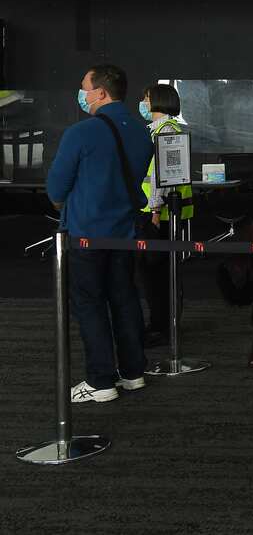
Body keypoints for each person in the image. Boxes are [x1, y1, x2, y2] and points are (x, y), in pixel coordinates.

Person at [46, 64, 153, 403]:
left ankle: (101, 381)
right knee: (124, 298)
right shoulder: (140, 131)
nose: (82, 95)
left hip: (86, 233)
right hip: (124, 230)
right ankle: (133, 372)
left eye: (85, 88)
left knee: (89, 304)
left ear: (101, 93)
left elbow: (56, 187)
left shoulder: (82, 132)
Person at [137, 82, 194, 347]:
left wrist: (156, 211)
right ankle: (162, 323)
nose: (144, 102)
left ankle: (162, 326)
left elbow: (162, 177)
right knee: (157, 274)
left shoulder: (166, 131)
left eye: (147, 98)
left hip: (158, 214)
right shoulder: (160, 130)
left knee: (158, 274)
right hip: (159, 211)